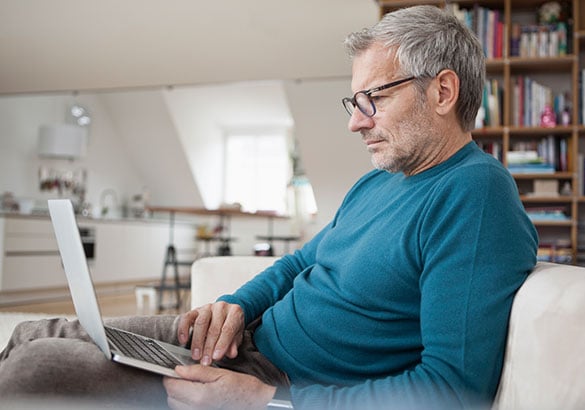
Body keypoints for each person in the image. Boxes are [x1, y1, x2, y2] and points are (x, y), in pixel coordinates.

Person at [0, 5, 538, 410]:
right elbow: (300, 263)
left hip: (270, 382)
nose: (356, 121)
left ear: (443, 92)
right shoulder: (382, 183)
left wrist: (265, 399)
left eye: (375, 98)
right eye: (355, 102)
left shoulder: (475, 197)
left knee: (38, 369)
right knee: (33, 334)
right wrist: (236, 305)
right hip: (241, 343)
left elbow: (451, 390)